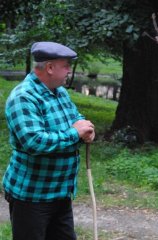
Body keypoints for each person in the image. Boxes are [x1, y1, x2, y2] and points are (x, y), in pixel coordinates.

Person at [2, 41, 95, 240]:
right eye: (66, 65)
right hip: (31, 197)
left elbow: (75, 118)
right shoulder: (23, 97)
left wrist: (85, 128)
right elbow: (34, 142)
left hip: (60, 193)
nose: (69, 70)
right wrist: (75, 134)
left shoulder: (59, 91)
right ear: (50, 68)